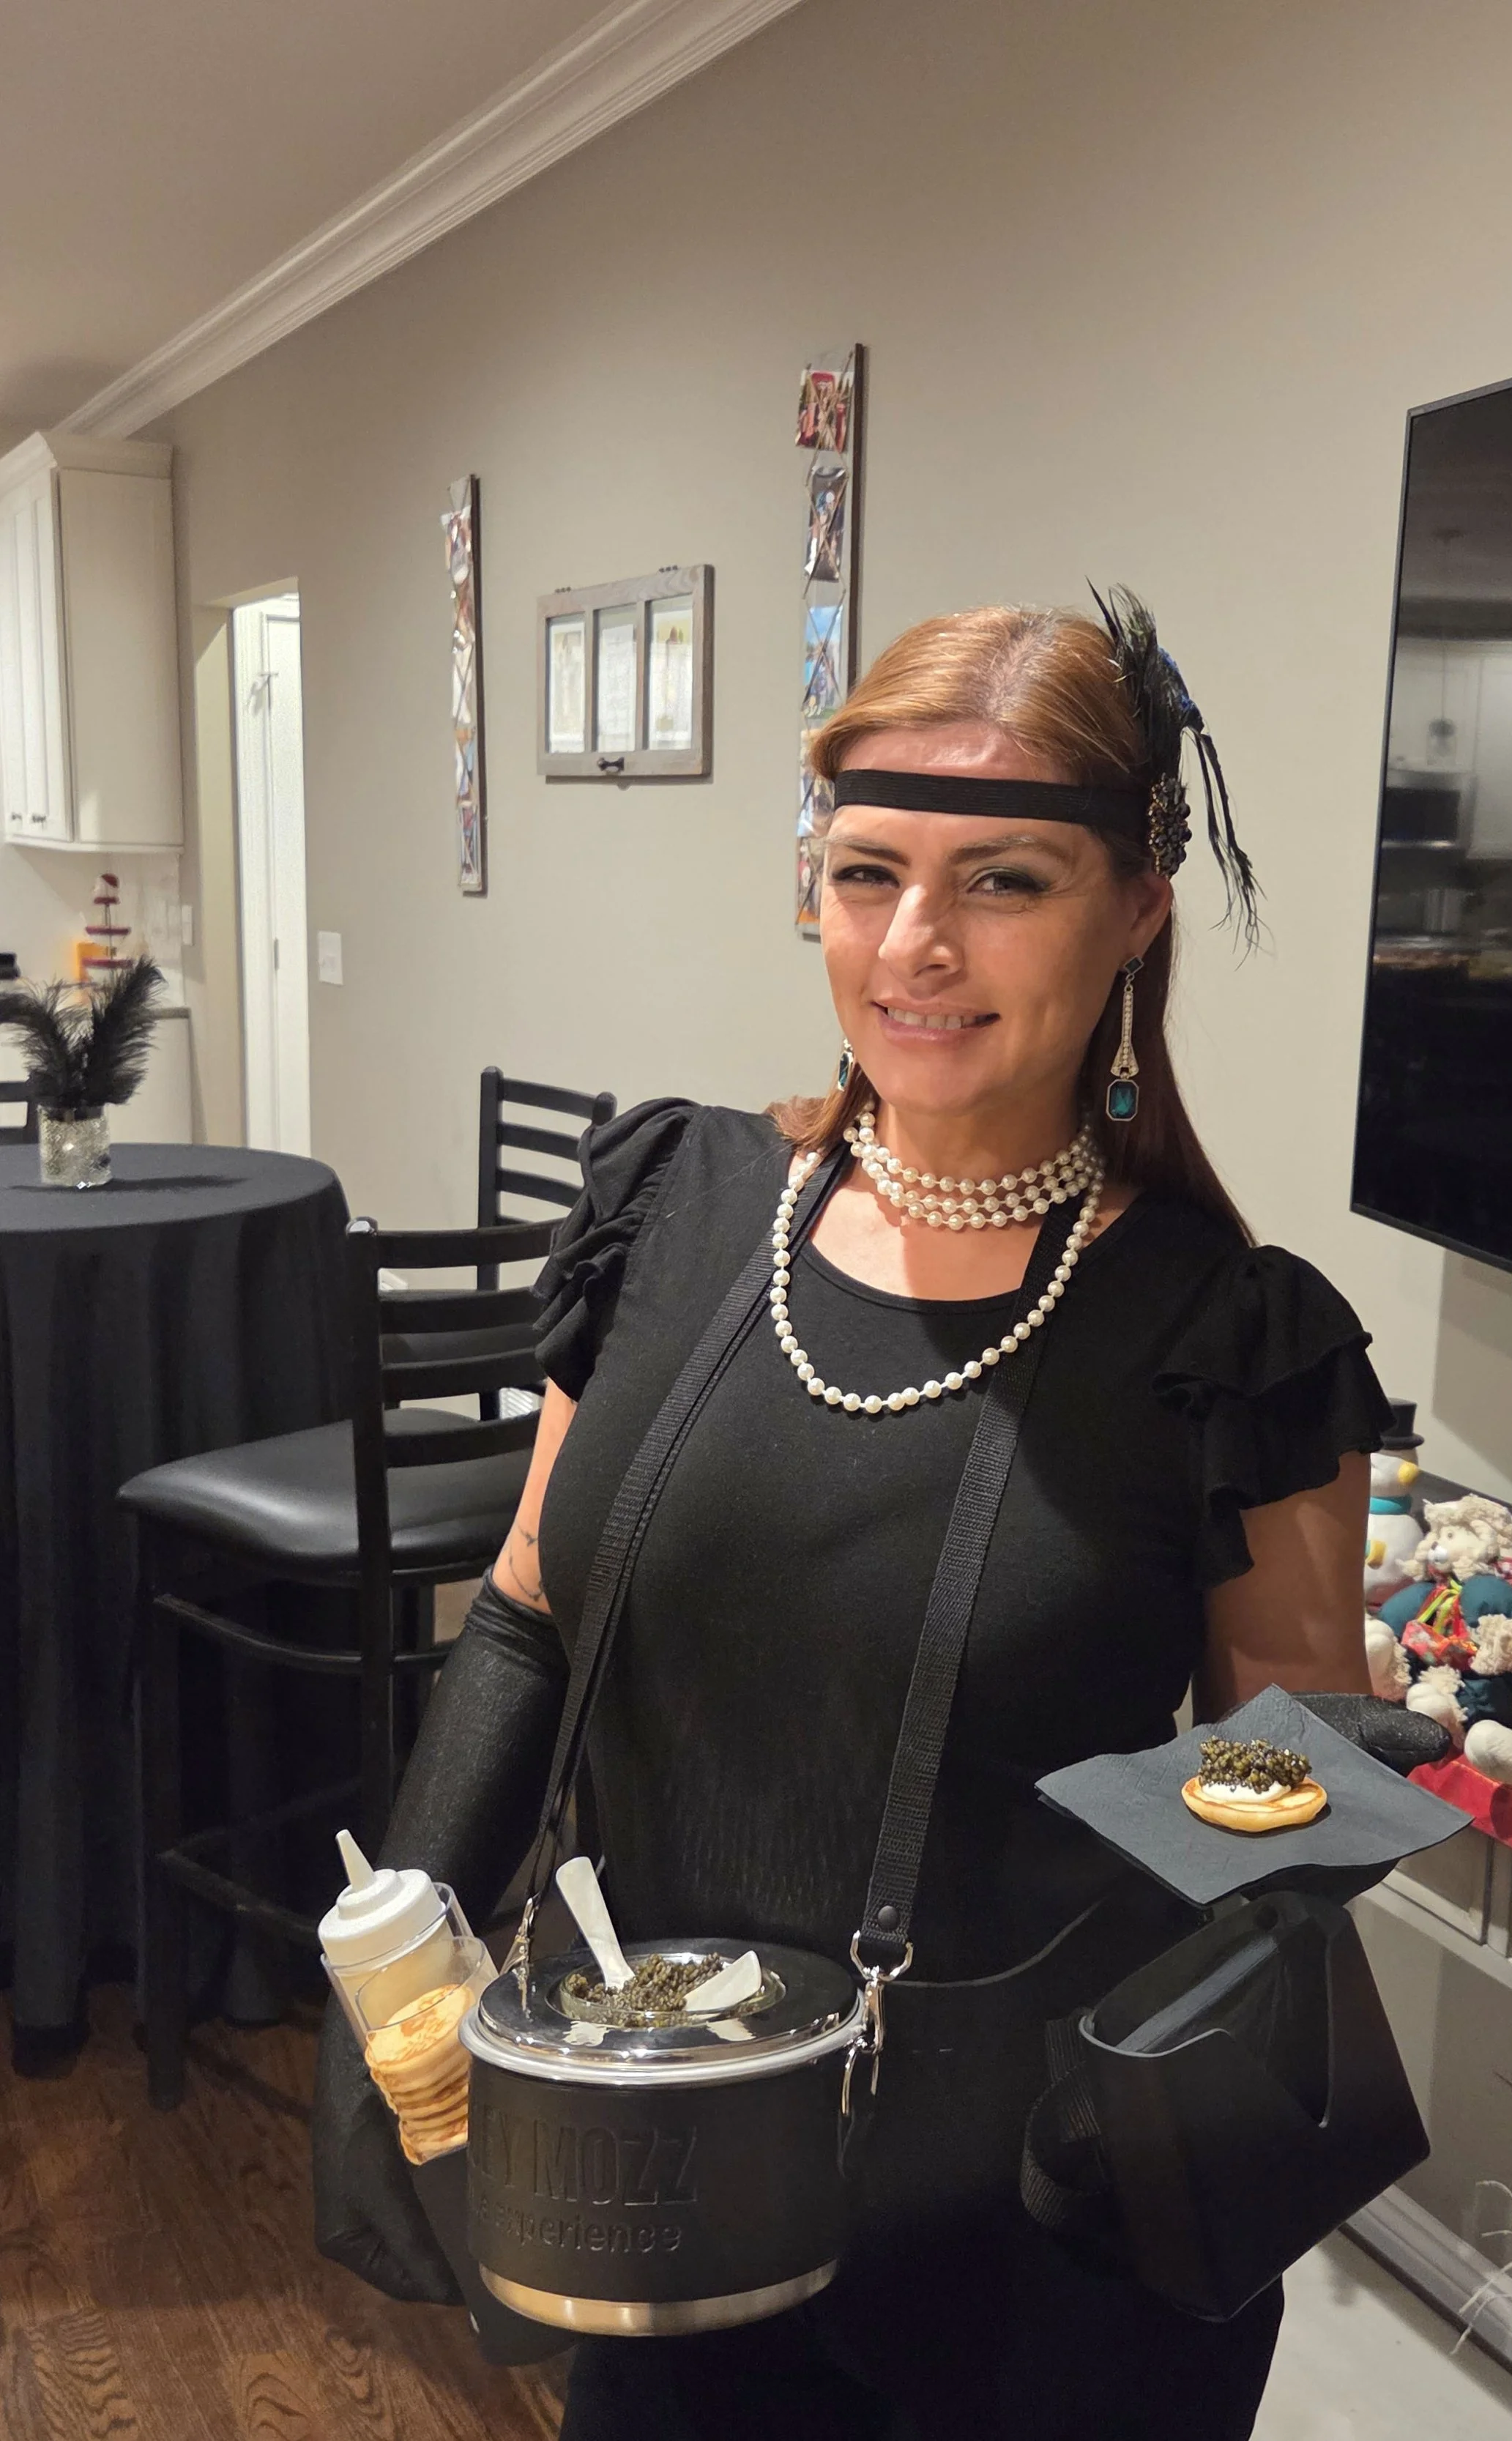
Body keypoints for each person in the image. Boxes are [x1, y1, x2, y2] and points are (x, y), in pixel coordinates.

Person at [313, 591, 1420, 2440]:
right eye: (864, 872)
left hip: (1029, 2242)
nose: (914, 944)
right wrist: (387, 2017)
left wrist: (1070, 1889)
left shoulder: (1229, 1340)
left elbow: (1305, 1765)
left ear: (1135, 910)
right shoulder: (674, 1210)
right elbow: (523, 1613)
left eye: (1004, 880)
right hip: (652, 2174)